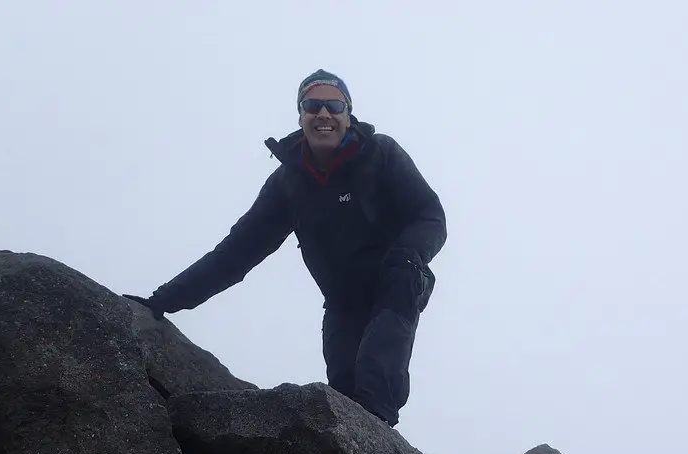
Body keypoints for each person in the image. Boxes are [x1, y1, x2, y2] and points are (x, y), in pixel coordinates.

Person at [124, 69, 446, 427]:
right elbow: (235, 254)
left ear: (347, 114)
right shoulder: (288, 185)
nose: (323, 113)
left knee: (375, 385)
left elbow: (430, 215)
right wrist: (163, 300)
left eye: (333, 105)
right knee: (344, 390)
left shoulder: (380, 154)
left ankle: (380, 436)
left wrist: (408, 255)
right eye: (312, 105)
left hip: (396, 278)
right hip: (343, 301)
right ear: (301, 115)